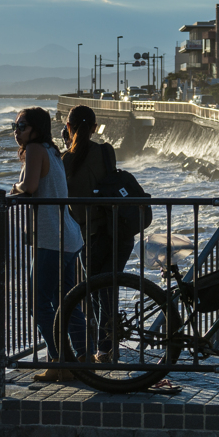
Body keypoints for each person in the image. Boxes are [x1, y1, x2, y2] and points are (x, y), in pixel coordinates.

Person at [10, 107, 86, 381]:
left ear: (36, 128)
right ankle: (83, 357)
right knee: (67, 302)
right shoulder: (52, 151)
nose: (16, 131)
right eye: (15, 125)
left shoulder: (34, 150)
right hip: (69, 236)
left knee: (38, 303)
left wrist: (14, 189)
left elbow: (29, 187)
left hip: (52, 239)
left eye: (21, 125)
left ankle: (58, 361)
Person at [61, 105, 135, 362]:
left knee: (95, 291)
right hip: (119, 229)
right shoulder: (106, 151)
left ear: (68, 127)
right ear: (95, 128)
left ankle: (102, 349)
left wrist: (67, 143)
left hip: (91, 235)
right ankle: (106, 349)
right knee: (108, 289)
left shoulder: (65, 160)